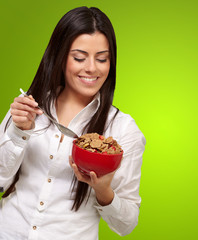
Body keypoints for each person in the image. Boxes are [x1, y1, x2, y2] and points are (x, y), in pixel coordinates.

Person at [0, 6, 145, 239]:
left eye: (102, 59)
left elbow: (126, 225)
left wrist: (103, 191)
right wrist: (19, 132)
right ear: (60, 55)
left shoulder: (123, 129)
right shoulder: (28, 108)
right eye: (79, 57)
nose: (91, 68)